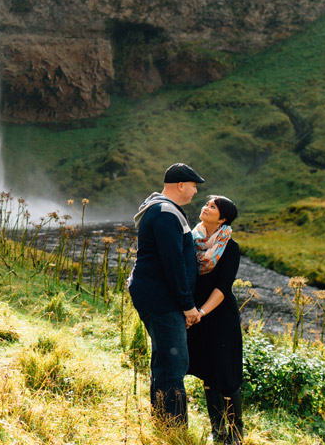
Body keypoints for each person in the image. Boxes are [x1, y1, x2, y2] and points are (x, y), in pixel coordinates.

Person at [128, 163, 204, 427]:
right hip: (162, 300)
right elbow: (173, 264)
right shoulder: (165, 214)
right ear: (181, 185)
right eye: (194, 186)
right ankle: (173, 428)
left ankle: (162, 421)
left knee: (165, 358)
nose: (195, 192)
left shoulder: (162, 210)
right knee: (174, 362)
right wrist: (188, 305)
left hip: (157, 297)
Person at [187, 195, 243, 444]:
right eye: (206, 204)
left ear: (223, 218)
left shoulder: (230, 247)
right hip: (195, 315)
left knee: (226, 374)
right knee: (207, 372)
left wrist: (202, 312)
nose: (206, 207)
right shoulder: (190, 241)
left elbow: (223, 288)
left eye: (213, 207)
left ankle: (236, 434)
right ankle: (217, 430)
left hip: (219, 316)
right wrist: (190, 310)